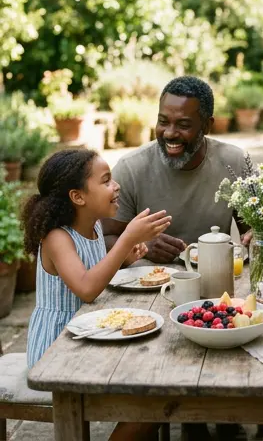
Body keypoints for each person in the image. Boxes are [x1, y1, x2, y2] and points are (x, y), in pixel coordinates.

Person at [22, 149, 172, 440]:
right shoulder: (57, 237)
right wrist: (127, 236)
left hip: (89, 334)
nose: (116, 186)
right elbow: (87, 288)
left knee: (155, 375)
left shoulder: (92, 228)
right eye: (106, 181)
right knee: (150, 405)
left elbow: (95, 273)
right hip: (57, 348)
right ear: (78, 197)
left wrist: (125, 257)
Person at [102, 75, 250, 264]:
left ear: (207, 126)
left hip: (217, 279)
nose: (170, 133)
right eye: (163, 122)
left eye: (183, 125)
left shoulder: (234, 162)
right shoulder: (130, 168)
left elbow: (253, 233)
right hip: (148, 284)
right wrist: (140, 245)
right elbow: (101, 239)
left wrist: (257, 236)